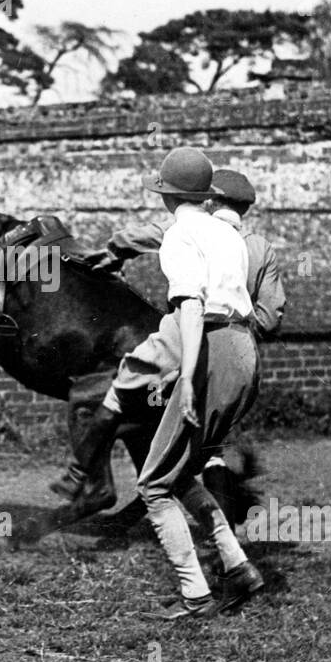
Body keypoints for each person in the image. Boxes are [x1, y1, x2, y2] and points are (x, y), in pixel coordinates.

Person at [57, 168, 283, 508]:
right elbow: (272, 313)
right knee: (209, 449)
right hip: (235, 352)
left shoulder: (193, 228)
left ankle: (81, 473)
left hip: (185, 342)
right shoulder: (260, 249)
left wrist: (113, 252)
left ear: (210, 200)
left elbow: (140, 237)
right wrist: (243, 326)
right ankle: (227, 542)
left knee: (121, 397)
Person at [121, 147, 262, 619]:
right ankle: (238, 567)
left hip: (212, 350)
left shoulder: (179, 236)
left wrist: (185, 377)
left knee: (154, 485)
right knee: (180, 471)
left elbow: (191, 309)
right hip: (245, 351)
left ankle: (195, 595)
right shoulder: (228, 232)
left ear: (165, 196)